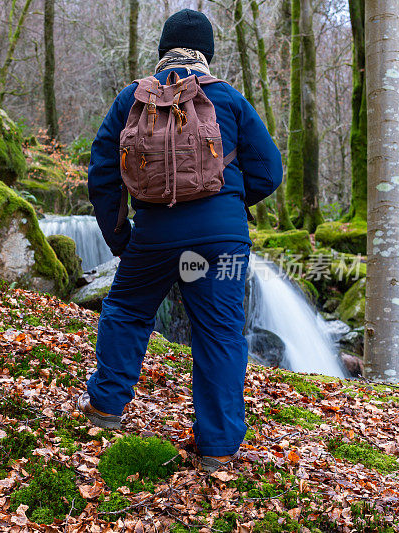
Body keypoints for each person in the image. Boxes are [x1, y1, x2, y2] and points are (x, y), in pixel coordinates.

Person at [76, 9, 282, 472]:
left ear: (163, 50)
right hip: (222, 242)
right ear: (206, 53)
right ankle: (219, 449)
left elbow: (103, 177)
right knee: (221, 334)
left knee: (127, 310)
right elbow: (270, 170)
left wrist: (119, 238)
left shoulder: (132, 99)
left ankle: (106, 407)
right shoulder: (227, 98)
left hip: (155, 234)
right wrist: (229, 202)